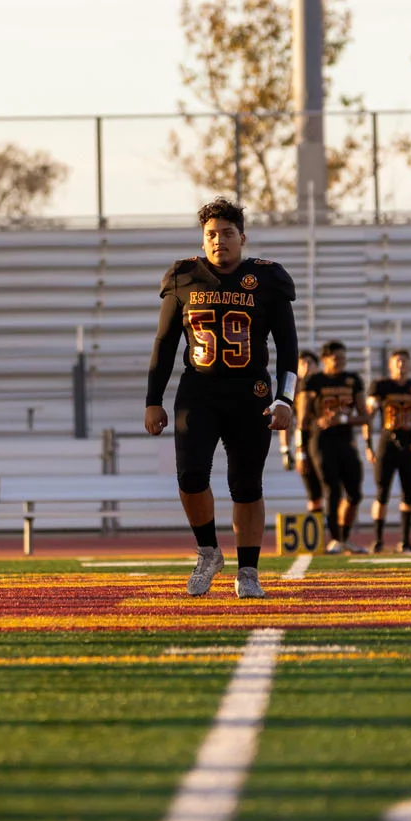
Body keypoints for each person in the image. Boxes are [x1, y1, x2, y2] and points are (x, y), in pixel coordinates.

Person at [145, 197, 298, 599]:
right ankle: (208, 551)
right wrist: (153, 399)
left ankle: (248, 570)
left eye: (227, 234)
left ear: (242, 238)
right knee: (190, 476)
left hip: (252, 393)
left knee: (246, 485)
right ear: (202, 240)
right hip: (198, 391)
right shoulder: (183, 277)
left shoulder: (267, 278)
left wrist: (286, 399)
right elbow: (163, 344)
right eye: (211, 235)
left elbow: (289, 348)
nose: (219, 241)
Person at [299, 340, 368, 555]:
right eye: (336, 358)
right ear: (324, 359)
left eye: (342, 358)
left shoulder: (353, 380)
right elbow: (302, 418)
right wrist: (301, 451)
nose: (340, 362)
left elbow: (365, 416)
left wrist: (344, 419)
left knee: (355, 492)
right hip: (321, 442)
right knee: (332, 489)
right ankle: (336, 539)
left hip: (345, 441)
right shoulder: (314, 381)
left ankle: (344, 536)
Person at [365, 348, 411, 554]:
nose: (401, 364)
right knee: (382, 492)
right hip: (387, 441)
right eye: (397, 361)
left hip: (409, 442)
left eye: (404, 361)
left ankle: (405, 540)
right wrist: (368, 445)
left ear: (410, 364)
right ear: (390, 365)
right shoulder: (381, 386)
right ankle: (378, 540)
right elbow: (369, 416)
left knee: (408, 493)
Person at [281, 350, 322, 510]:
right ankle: (316, 529)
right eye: (302, 364)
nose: (306, 367)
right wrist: (285, 448)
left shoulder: (325, 382)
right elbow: (287, 420)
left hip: (326, 439)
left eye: (309, 363)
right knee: (313, 490)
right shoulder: (291, 387)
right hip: (305, 440)